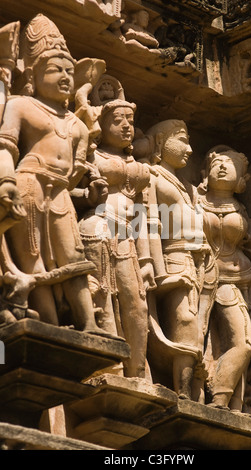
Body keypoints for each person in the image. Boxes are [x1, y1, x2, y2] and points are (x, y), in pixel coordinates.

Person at [0, 14, 105, 334]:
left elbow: (75, 170)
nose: (65, 76)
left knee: (72, 254)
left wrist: (87, 192)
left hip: (59, 191)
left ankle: (89, 323)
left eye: (69, 71)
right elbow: (5, 147)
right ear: (31, 75)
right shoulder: (20, 105)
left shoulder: (75, 122)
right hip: (28, 183)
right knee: (33, 255)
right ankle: (47, 322)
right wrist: (6, 182)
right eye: (55, 69)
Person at [76, 98, 156, 378]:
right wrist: (88, 196)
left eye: (130, 122)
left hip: (127, 238)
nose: (126, 127)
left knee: (137, 303)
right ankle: (109, 365)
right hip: (96, 230)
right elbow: (67, 188)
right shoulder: (91, 155)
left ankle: (137, 370)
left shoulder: (137, 167)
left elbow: (140, 214)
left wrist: (146, 259)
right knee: (101, 295)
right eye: (117, 121)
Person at [144, 119, 217, 401]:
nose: (189, 149)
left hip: (201, 261)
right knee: (185, 321)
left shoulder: (188, 186)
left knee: (199, 329)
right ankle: (183, 394)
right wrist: (158, 271)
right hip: (173, 256)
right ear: (161, 142)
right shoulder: (153, 176)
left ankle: (195, 395)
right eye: (182, 140)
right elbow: (149, 225)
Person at [199, 145, 251, 413]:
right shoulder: (195, 201)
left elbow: (249, 245)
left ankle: (235, 402)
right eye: (217, 163)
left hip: (246, 279)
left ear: (242, 180)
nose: (223, 166)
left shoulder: (240, 208)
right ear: (206, 172)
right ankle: (218, 396)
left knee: (245, 343)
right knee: (241, 342)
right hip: (213, 280)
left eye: (230, 164)